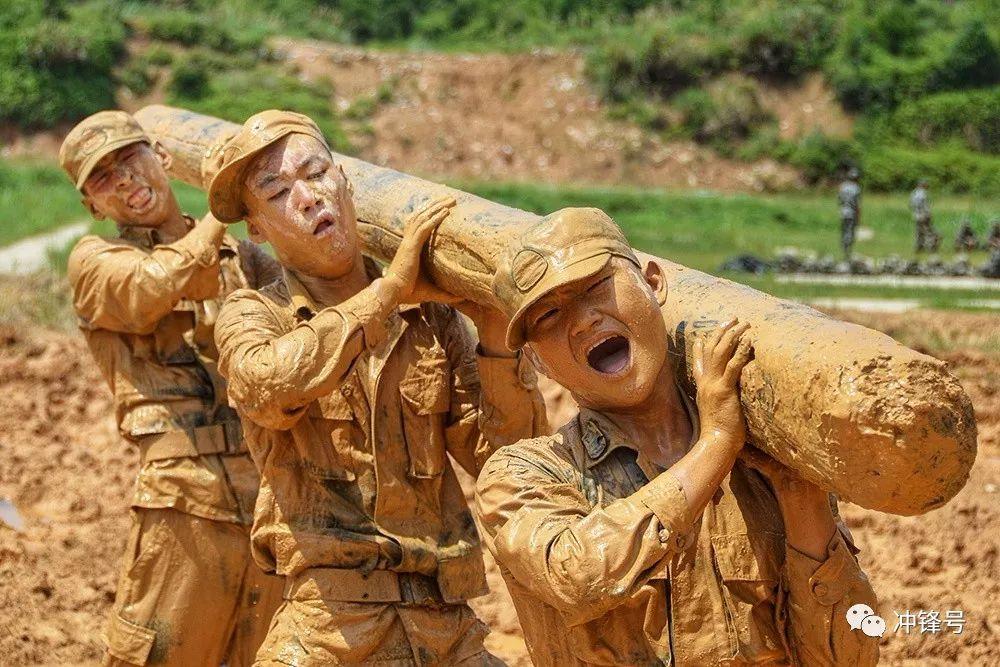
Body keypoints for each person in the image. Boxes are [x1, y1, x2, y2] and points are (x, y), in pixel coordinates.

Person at [208, 110, 547, 665]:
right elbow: (267, 389)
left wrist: (495, 344)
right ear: (258, 230)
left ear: (344, 181)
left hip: (442, 620)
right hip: (329, 624)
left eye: (316, 173)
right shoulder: (254, 314)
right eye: (276, 193)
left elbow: (504, 462)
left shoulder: (430, 321)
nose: (308, 197)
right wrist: (386, 293)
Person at [475, 208, 880, 666]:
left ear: (653, 282)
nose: (583, 321)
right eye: (550, 314)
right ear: (537, 363)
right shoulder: (524, 477)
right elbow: (579, 573)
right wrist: (717, 443)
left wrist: (800, 498)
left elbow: (850, 657)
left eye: (595, 287)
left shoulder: (762, 464)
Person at [60, 111, 283, 666]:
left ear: (161, 157)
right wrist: (220, 207)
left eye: (130, 159)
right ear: (94, 205)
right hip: (185, 503)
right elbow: (153, 286)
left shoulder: (247, 260)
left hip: (271, 505)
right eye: (104, 178)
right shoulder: (96, 262)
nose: (126, 181)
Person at [910, 179, 940, 253]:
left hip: (916, 216)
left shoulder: (914, 193)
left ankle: (919, 248)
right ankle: (930, 248)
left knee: (919, 232)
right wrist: (928, 214)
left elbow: (911, 205)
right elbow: (925, 206)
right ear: (923, 185)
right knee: (928, 232)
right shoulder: (923, 193)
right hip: (923, 215)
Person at [838, 167, 862, 259]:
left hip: (843, 212)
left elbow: (839, 200)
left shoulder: (843, 186)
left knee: (843, 230)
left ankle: (843, 247)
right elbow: (857, 204)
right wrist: (859, 215)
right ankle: (847, 251)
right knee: (850, 231)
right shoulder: (856, 188)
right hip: (851, 213)